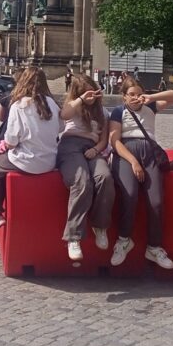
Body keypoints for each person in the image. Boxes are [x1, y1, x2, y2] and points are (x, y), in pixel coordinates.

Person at [0, 67, 60, 255]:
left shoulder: (20, 105)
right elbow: (59, 128)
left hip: (26, 161)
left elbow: (11, 140)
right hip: (49, 162)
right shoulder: (52, 103)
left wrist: (6, 144)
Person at [109, 79, 173, 270]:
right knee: (130, 195)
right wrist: (133, 161)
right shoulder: (118, 111)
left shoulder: (150, 106)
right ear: (124, 96)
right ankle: (123, 240)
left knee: (156, 201)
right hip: (126, 152)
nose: (135, 97)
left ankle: (154, 247)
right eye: (131, 94)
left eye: (138, 93)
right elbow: (115, 141)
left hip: (149, 152)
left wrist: (151, 97)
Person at [56, 75, 114, 261]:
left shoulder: (103, 112)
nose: (91, 96)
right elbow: (64, 115)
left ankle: (100, 225)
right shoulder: (73, 106)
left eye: (93, 91)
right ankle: (74, 237)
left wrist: (96, 149)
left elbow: (104, 139)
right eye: (85, 92)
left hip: (93, 148)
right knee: (82, 181)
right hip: (70, 145)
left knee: (104, 177)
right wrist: (80, 100)